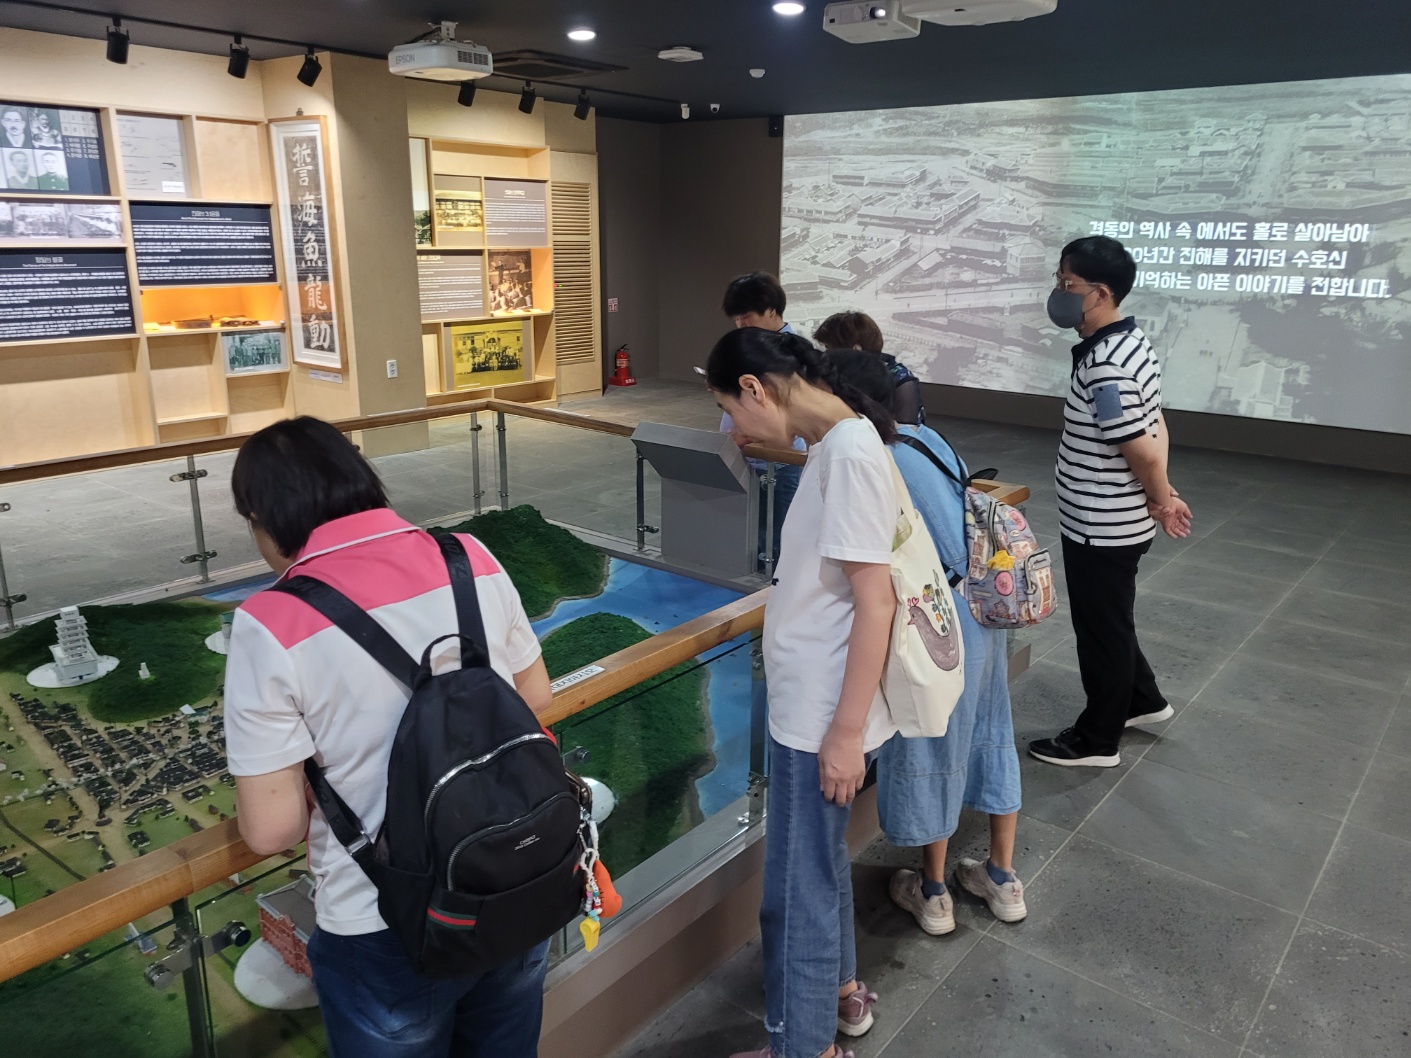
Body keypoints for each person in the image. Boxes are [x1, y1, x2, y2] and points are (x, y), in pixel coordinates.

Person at [223, 416, 555, 1058]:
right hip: (515, 876)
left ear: (264, 519)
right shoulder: (470, 557)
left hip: (383, 921)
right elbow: (535, 698)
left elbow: (270, 830)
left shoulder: (270, 621)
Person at [707, 328, 898, 1058]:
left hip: (819, 720)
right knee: (816, 871)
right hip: (813, 709)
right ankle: (838, 996)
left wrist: (844, 735)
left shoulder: (847, 455)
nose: (736, 429)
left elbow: (875, 602)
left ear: (756, 388)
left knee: (797, 893)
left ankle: (804, 1047)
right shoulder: (833, 445)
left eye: (732, 409)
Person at [827, 350, 1026, 934]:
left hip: (934, 619)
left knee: (930, 740)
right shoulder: (932, 441)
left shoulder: (873, 459)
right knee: (991, 729)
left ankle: (934, 892)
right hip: (982, 607)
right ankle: (1002, 876)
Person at [1029, 236, 1192, 768]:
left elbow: (1139, 448)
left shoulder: (1106, 366)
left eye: (1067, 284)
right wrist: (1161, 493)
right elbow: (1155, 421)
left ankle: (1096, 740)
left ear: (1099, 293)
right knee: (1111, 618)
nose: (1059, 292)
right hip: (1114, 516)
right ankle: (1142, 700)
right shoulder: (1131, 342)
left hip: (1102, 524)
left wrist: (1162, 498)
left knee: (1100, 629)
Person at [718, 272, 806, 561]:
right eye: (736, 319)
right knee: (747, 540)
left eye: (746, 317)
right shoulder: (746, 346)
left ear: (771, 310)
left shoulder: (795, 352)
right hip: (743, 457)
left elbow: (793, 414)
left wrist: (747, 433)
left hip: (779, 463)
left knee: (776, 544)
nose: (740, 325)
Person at [813, 312, 926, 427]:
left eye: (828, 347)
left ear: (856, 349)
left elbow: (904, 431)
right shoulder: (833, 373)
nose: (825, 354)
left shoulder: (901, 381)